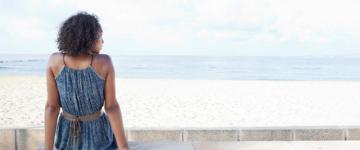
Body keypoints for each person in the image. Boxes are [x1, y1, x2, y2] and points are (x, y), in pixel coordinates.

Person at [44, 12, 129, 150]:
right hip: (99, 139)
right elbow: (111, 107)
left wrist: (47, 148)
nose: (102, 41)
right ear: (88, 38)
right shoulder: (104, 62)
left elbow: (52, 107)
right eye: (100, 36)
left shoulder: (54, 61)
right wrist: (124, 147)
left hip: (66, 139)